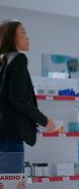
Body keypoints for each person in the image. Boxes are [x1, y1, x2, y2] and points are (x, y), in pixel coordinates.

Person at [0, 19, 56, 173]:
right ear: (12, 37)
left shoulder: (4, 60)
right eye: (23, 32)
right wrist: (45, 121)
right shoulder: (18, 59)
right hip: (10, 137)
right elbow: (18, 98)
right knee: (11, 184)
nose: (27, 37)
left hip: (3, 135)